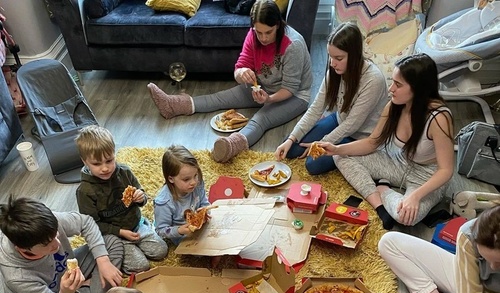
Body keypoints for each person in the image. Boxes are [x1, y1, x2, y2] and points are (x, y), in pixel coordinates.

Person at [148, 0, 312, 163]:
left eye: (268, 32)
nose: (263, 38)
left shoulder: (293, 45)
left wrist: (268, 99)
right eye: (259, 32)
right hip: (262, 87)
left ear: (278, 25)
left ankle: (231, 146)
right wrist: (242, 73)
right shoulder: (252, 35)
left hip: (294, 96)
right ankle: (173, 105)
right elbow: (239, 68)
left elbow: (290, 88)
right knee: (220, 98)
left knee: (261, 119)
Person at [318, 53, 454, 230]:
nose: (391, 89)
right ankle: (379, 205)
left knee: (405, 217)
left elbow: (446, 170)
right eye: (392, 82)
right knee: (340, 156)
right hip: (399, 163)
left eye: (398, 84)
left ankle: (384, 189)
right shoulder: (394, 106)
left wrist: (415, 197)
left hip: (427, 176)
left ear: (418, 88)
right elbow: (372, 142)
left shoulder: (439, 118)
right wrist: (336, 149)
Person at [0, 196, 123, 293]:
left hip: (67, 273)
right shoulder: (17, 276)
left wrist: (103, 261)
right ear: (23, 249)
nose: (57, 244)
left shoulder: (46, 223)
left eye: (56, 235)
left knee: (111, 242)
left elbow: (86, 222)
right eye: (47, 244)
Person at [274, 23, 387, 176]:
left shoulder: (373, 80)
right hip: (339, 120)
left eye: (339, 58)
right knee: (291, 147)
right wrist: (292, 138)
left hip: (360, 136)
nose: (332, 63)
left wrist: (320, 143)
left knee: (313, 164)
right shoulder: (334, 72)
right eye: (331, 56)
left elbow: (352, 125)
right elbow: (315, 109)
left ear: (354, 55)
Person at [75, 125, 168, 274]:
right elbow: (91, 225)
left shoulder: (124, 172)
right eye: (97, 164)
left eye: (109, 160)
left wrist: (140, 197)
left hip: (135, 224)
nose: (105, 168)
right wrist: (119, 232)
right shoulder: (85, 191)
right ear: (84, 161)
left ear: (114, 154)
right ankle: (119, 250)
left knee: (161, 251)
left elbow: (143, 195)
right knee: (140, 267)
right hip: (113, 236)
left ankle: (144, 229)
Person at [154, 145, 210, 245]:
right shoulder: (164, 202)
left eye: (195, 175)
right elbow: (161, 230)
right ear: (171, 179)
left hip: (201, 227)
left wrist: (205, 210)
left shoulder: (197, 183)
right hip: (182, 235)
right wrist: (179, 230)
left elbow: (204, 202)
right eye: (186, 179)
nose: (193, 182)